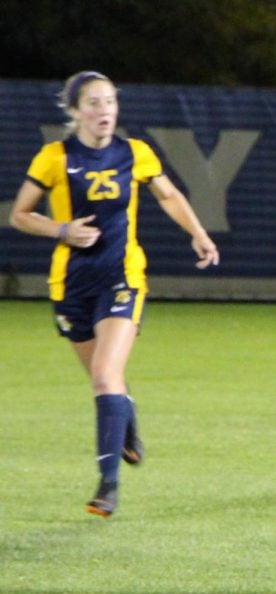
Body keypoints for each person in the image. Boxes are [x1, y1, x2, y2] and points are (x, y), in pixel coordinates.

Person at [9, 71, 220, 517]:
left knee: (106, 375)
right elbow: (20, 215)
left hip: (122, 278)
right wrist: (61, 229)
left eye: (110, 102)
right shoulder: (54, 158)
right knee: (104, 380)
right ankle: (126, 412)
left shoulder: (135, 153)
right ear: (75, 111)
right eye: (94, 103)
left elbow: (167, 195)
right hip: (70, 284)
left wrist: (198, 233)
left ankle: (108, 485)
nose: (104, 111)